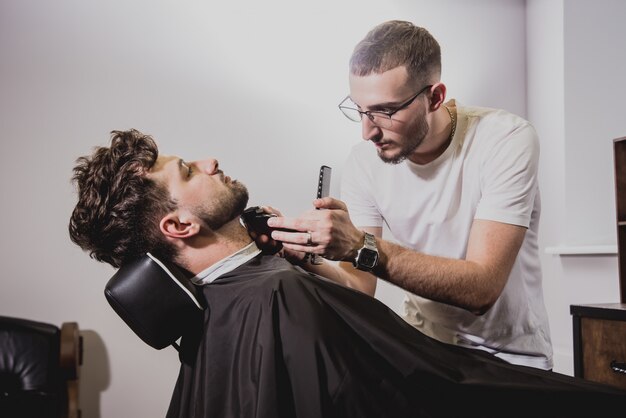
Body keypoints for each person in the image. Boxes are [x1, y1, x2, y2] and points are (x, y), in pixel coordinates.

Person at [68, 129, 626, 418]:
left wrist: (307, 258)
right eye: (189, 171)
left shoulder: (237, 302)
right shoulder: (276, 296)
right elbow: (436, 386)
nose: (209, 161)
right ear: (180, 226)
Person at [266, 20, 552, 370]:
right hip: (423, 351)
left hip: (511, 359)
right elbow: (359, 286)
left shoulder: (505, 140)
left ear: (434, 97)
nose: (368, 130)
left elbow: (481, 290)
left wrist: (358, 245)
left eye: (385, 111)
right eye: (360, 110)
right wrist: (307, 255)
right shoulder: (362, 162)